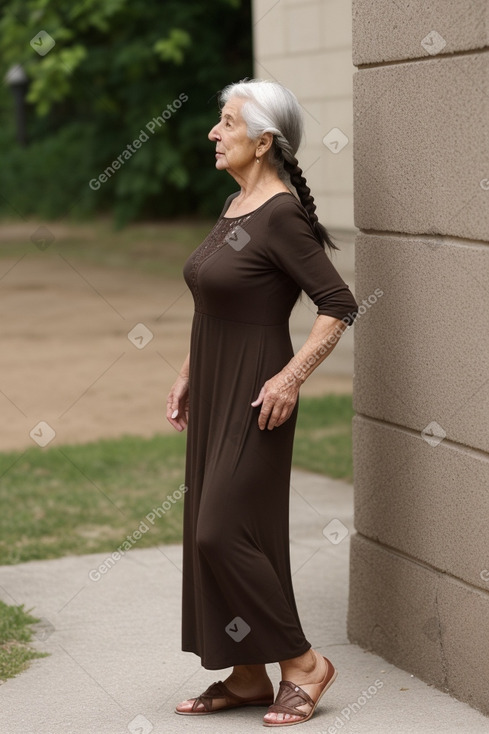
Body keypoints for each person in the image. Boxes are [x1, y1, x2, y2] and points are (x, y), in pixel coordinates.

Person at [166, 78, 358, 727]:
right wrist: (190, 371)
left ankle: (303, 664)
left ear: (263, 139)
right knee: (220, 531)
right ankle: (247, 674)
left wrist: (289, 378)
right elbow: (216, 298)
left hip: (257, 393)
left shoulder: (278, 215)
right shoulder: (235, 203)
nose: (214, 133)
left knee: (221, 531)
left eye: (226, 123)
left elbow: (338, 305)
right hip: (217, 384)